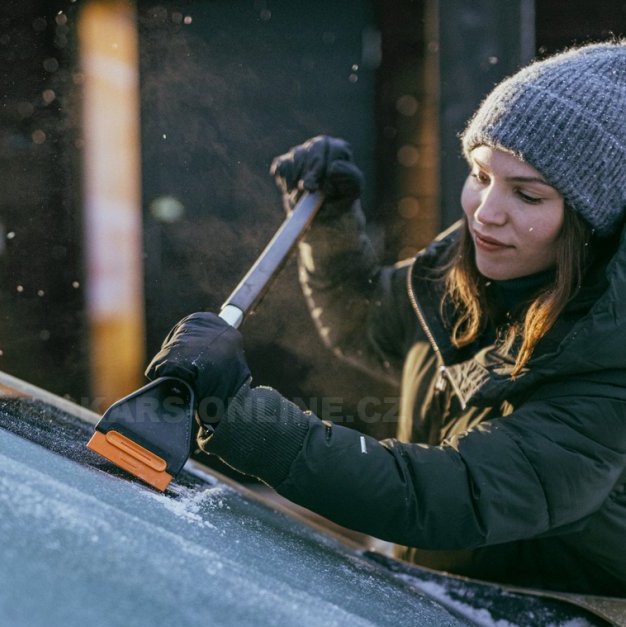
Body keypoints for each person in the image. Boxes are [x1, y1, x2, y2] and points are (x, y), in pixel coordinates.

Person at [145, 40, 626, 597]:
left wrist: (243, 417)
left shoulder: (609, 367)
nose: (486, 212)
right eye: (480, 174)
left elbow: (442, 494)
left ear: (595, 219)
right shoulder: (475, 274)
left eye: (528, 195)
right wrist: (330, 225)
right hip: (443, 610)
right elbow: (362, 323)